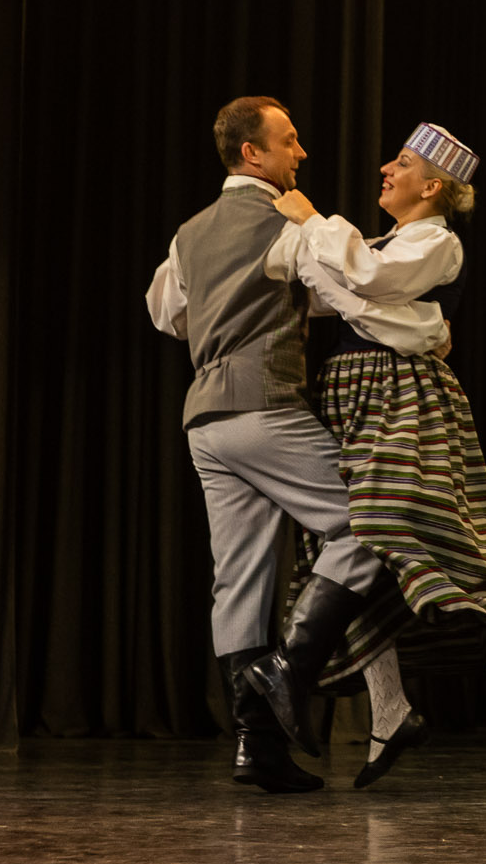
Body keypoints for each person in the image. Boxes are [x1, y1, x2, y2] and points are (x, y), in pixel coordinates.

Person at [146, 96, 386, 793]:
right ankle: (289, 670)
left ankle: (258, 748)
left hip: (205, 421)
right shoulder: (283, 224)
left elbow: (167, 313)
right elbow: (346, 293)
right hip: (262, 406)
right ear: (253, 153)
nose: (301, 152)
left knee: (240, 576)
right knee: (371, 521)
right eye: (290, 140)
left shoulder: (189, 233)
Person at [273, 124, 486, 789]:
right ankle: (390, 711)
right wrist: (414, 322)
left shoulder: (436, 241)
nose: (385, 168)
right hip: (351, 388)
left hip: (399, 391)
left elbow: (367, 282)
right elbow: (332, 290)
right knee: (349, 545)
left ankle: (299, 669)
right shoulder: (376, 243)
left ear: (431, 186)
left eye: (401, 163)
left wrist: (315, 223)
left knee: (377, 526)